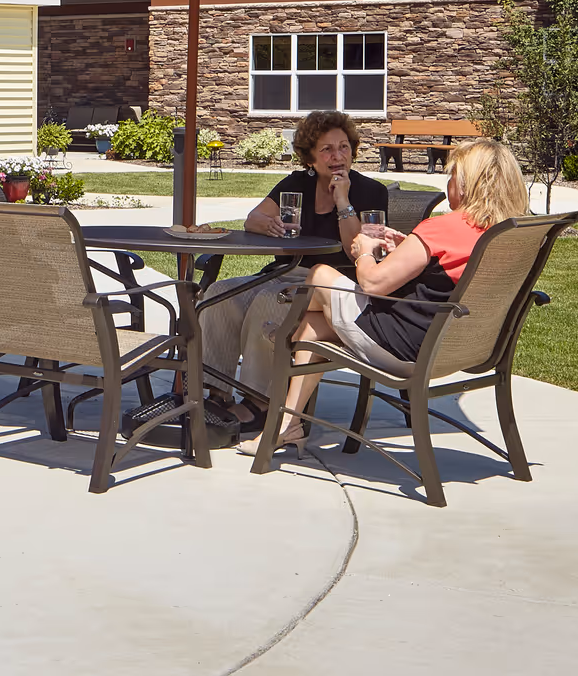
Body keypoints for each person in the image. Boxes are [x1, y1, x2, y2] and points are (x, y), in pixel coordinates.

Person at [241, 138, 527, 457]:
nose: (449, 183)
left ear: (467, 184)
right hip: (461, 347)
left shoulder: (443, 228)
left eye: (453, 175)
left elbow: (373, 283)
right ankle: (288, 424)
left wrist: (364, 250)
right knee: (313, 326)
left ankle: (282, 332)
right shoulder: (510, 233)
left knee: (320, 275)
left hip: (405, 347)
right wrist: (408, 248)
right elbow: (446, 274)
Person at [198, 110, 390, 439]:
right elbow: (252, 219)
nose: (337, 156)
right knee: (219, 294)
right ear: (310, 157)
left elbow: (355, 250)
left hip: (333, 284)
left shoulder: (369, 191)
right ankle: (217, 394)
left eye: (344, 147)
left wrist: (342, 200)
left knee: (267, 301)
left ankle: (260, 402)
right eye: (327, 149)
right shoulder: (296, 184)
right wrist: (268, 224)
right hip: (285, 272)